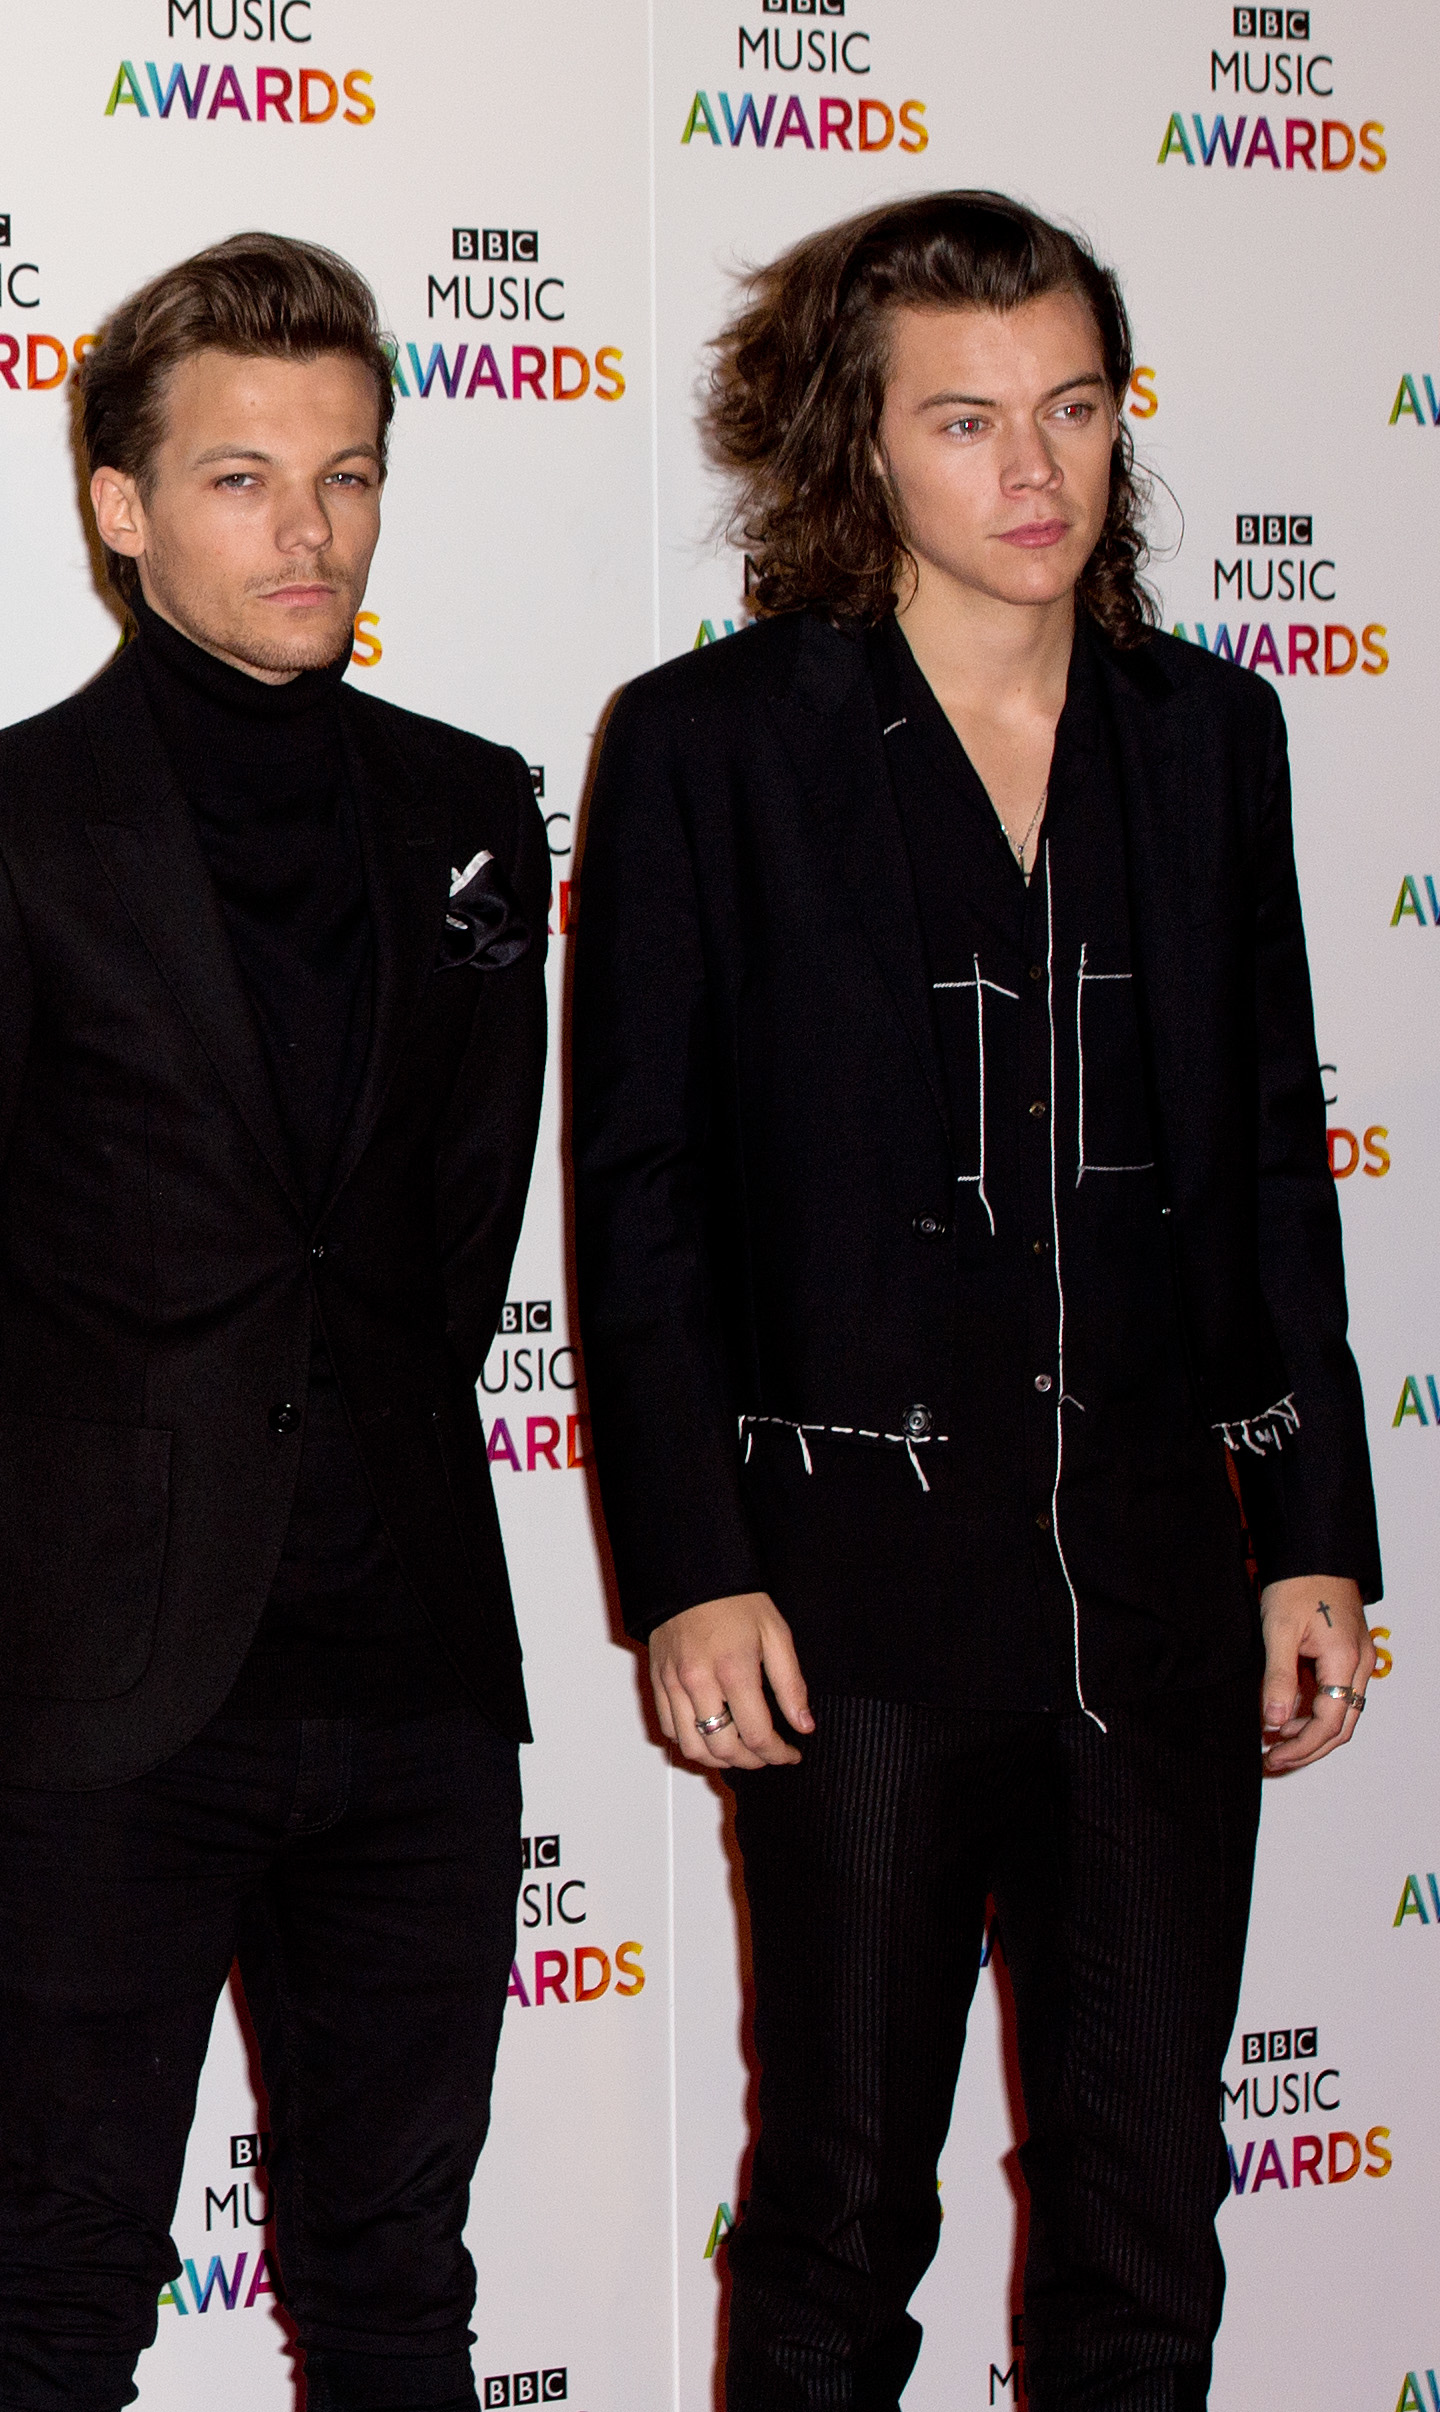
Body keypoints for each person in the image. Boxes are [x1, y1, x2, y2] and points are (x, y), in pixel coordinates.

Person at [570, 189, 1380, 2411]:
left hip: (1148, 1585)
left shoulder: (1205, 738)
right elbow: (633, 1200)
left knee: (1143, 2215)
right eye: (961, 422)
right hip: (847, 1593)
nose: (1032, 472)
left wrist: (1307, 1525)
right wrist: (691, 1571)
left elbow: (1260, 1164)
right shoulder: (709, 747)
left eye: (1071, 409)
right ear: (856, 454)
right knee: (835, 2207)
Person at [0, 234, 551, 2412]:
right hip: (95, 1698)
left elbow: (449, 1228)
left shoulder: (466, 810)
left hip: (415, 1670)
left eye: (343, 474)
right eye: (239, 478)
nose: (307, 528)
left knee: (396, 2284)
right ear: (117, 508)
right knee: (61, 2283)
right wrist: (50, 1565)